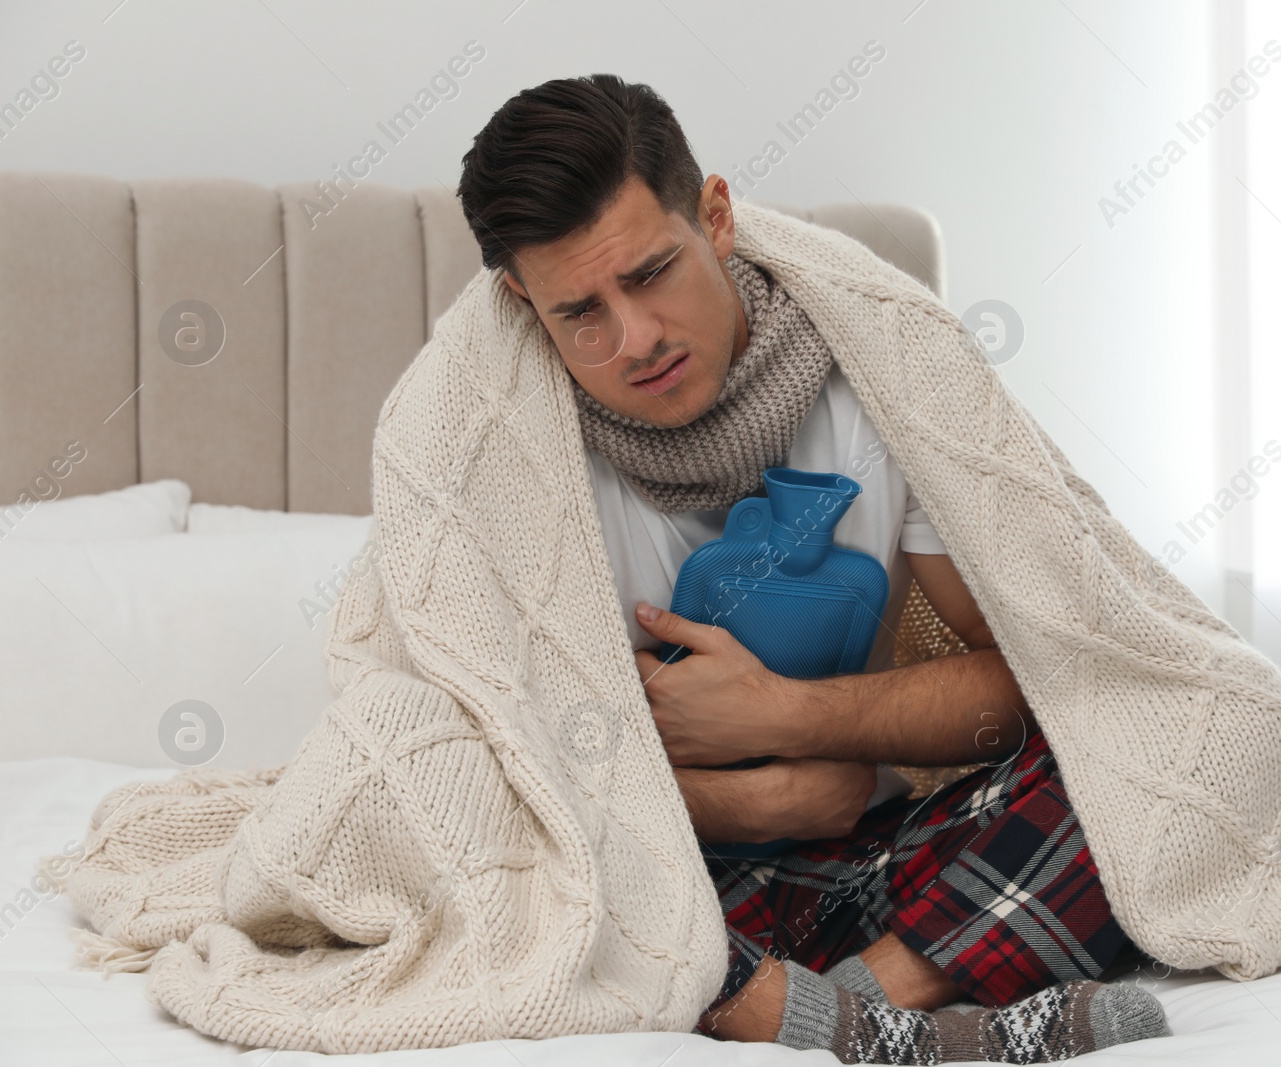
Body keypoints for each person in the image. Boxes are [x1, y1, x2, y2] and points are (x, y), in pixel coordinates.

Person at [456, 73, 1169, 1063]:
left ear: (715, 218)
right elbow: (478, 770)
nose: (635, 340)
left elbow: (1025, 683)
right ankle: (943, 1029)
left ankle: (846, 1011)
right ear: (520, 302)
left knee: (1143, 735)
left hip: (871, 869)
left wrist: (790, 719)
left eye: (653, 272)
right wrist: (759, 801)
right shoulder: (503, 457)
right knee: (474, 889)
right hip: (656, 890)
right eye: (580, 311)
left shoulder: (883, 385)